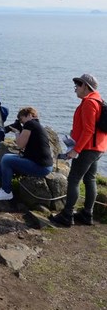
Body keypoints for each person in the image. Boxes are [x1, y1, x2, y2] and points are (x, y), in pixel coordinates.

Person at [50, 74, 107, 227]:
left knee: (74, 179)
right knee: (90, 179)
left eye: (78, 84)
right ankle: (87, 214)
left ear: (87, 87)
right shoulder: (98, 101)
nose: (75, 87)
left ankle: (67, 215)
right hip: (98, 148)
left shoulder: (89, 103)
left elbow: (89, 130)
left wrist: (76, 150)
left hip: (88, 149)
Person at [0, 107, 53, 200]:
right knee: (6, 157)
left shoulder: (30, 124)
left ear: (29, 115)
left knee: (7, 160)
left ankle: (6, 191)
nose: (21, 123)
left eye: (21, 119)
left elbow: (20, 145)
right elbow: (25, 146)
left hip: (40, 167)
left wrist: (17, 132)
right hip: (44, 165)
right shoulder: (37, 125)